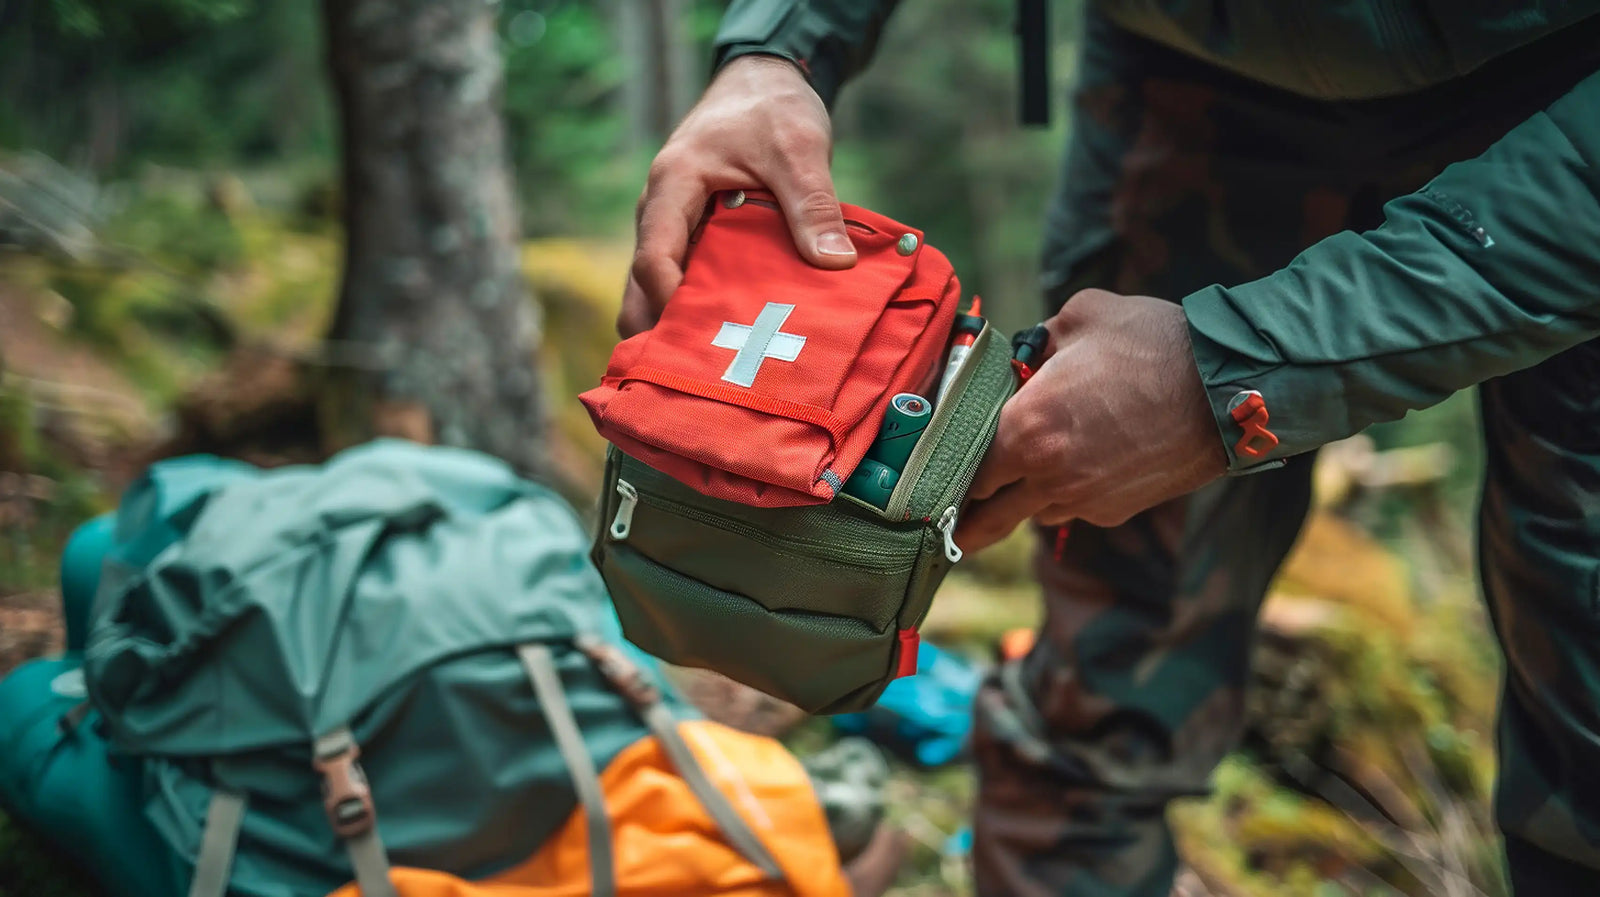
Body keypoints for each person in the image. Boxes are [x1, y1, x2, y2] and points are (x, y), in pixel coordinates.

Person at [619, 2, 1600, 893]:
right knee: (1102, 682)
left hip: (1564, 89)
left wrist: (1233, 369)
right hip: (1190, 74)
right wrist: (780, 49)